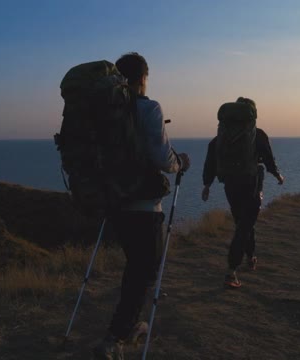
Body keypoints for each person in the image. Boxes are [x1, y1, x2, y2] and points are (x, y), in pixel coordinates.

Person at [93, 52, 190, 359]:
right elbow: (163, 159)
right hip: (145, 206)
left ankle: (129, 325)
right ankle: (115, 338)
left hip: (115, 202)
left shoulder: (105, 113)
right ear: (142, 79)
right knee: (145, 272)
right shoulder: (149, 108)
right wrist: (180, 163)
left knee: (136, 267)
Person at [201, 97, 283, 289]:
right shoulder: (258, 134)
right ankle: (231, 270)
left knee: (243, 222)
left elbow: (211, 159)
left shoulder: (221, 136)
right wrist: (278, 175)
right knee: (245, 225)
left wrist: (207, 184)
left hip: (230, 184)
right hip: (251, 184)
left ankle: (250, 256)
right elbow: (269, 159)